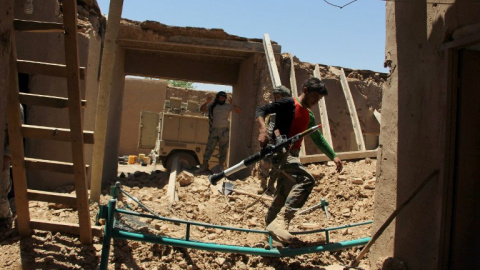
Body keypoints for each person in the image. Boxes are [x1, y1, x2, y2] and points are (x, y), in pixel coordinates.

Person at [255, 77, 343, 244]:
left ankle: (270, 234)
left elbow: (317, 138)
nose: (317, 101)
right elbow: (261, 110)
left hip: (293, 154)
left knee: (283, 193)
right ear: (305, 90)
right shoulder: (289, 104)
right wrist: (263, 130)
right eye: (315, 96)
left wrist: (333, 155)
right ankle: (282, 221)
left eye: (319, 99)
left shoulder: (308, 115)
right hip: (280, 153)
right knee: (306, 179)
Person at [257, 85, 292, 194]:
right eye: (276, 96)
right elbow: (262, 114)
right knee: (265, 164)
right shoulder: (273, 108)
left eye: (280, 96)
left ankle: (271, 186)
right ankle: (263, 185)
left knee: (277, 167)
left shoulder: (289, 109)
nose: (277, 99)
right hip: (270, 141)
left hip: (282, 142)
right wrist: (264, 130)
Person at [197, 91, 241, 172]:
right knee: (209, 148)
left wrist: (233, 104)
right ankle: (204, 166)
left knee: (223, 149)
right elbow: (202, 109)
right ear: (217, 98)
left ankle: (221, 167)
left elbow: (239, 111)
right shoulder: (212, 106)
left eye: (223, 98)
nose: (221, 99)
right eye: (220, 97)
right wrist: (207, 102)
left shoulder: (228, 106)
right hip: (214, 130)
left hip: (224, 131)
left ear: (225, 99)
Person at [1, 104, 24, 227]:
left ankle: (5, 220)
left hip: (2, 158)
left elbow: (13, 138)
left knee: (1, 192)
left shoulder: (13, 107)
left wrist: (6, 159)